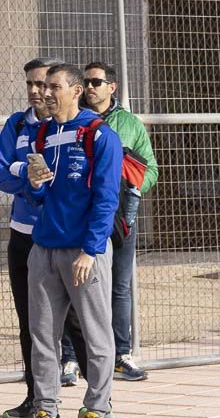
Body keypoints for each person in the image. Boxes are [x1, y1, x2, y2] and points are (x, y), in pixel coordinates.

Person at [12, 63, 122, 418]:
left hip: (83, 252)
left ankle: (97, 410)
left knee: (95, 334)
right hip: (44, 248)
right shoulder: (42, 134)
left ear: (75, 91)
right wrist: (35, 184)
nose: (44, 93)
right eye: (43, 87)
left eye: (53, 87)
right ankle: (46, 411)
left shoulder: (99, 135)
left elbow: (107, 198)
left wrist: (90, 251)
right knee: (42, 334)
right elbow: (40, 195)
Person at [59, 61, 159, 385]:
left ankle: (121, 355)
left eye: (96, 82)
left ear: (112, 87)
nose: (90, 87)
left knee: (120, 286)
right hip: (80, 219)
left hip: (118, 220)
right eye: (86, 82)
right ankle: (71, 359)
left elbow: (152, 170)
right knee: (76, 285)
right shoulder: (73, 119)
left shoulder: (129, 124)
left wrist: (132, 188)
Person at [0, 57, 61, 418]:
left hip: (58, 236)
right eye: (31, 85)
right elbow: (2, 174)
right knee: (29, 321)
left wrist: (22, 172)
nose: (37, 91)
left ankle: (97, 403)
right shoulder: (17, 124)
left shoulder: (70, 125)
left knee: (73, 323)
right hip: (23, 236)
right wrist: (28, 178)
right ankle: (35, 397)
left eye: (44, 84)